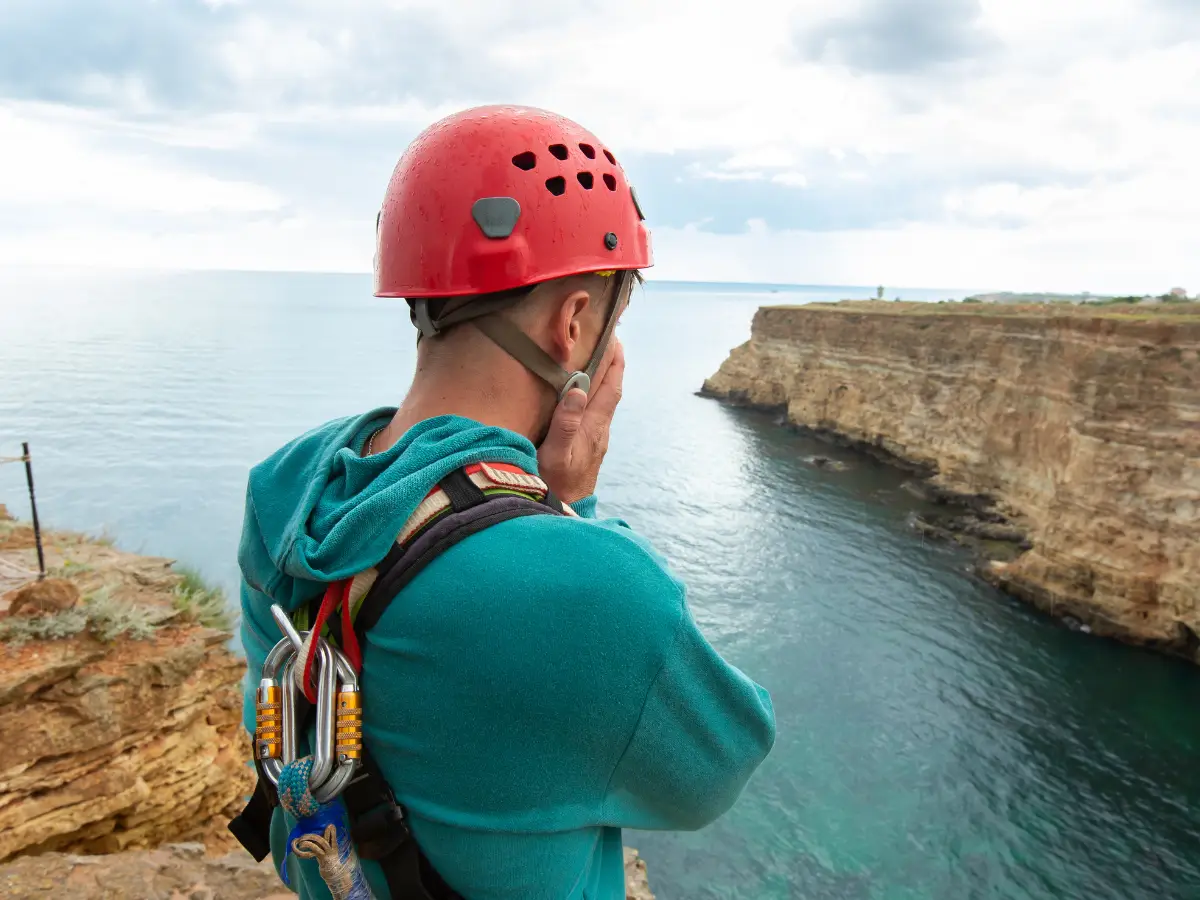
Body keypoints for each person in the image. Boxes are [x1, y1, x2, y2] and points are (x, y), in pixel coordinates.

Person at [235, 105, 776, 900]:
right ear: (575, 323)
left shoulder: (285, 488)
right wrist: (570, 514)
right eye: (613, 317)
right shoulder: (598, 590)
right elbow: (719, 769)